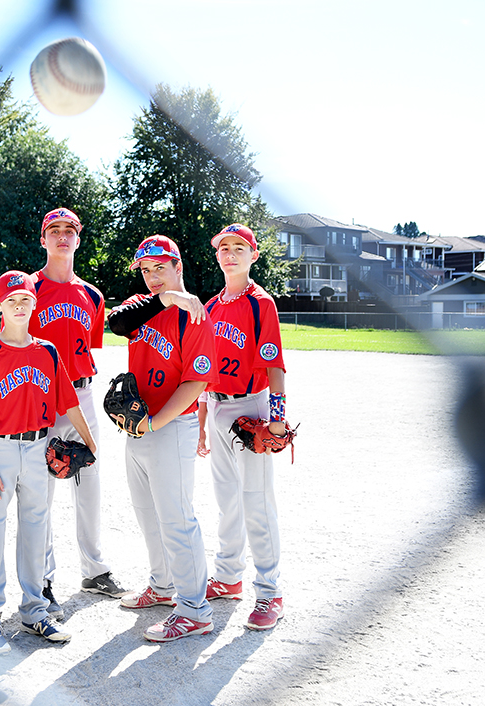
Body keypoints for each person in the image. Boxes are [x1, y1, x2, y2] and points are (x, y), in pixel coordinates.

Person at [0, 271, 97, 654]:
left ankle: (34, 610)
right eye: (11, 300)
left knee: (36, 530)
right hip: (0, 448)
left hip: (39, 448)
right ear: (0, 305)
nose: (19, 306)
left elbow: (69, 402)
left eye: (25, 299)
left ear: (33, 305)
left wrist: (89, 444)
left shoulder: (48, 351)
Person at [106, 235, 217, 642]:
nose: (153, 277)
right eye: (147, 270)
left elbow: (196, 381)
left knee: (176, 518)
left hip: (170, 427)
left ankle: (195, 610)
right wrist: (162, 300)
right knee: (146, 512)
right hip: (138, 426)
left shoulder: (195, 315)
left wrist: (153, 423)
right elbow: (116, 323)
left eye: (160, 268)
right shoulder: (145, 308)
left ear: (178, 267)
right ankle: (163, 586)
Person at [29, 207, 126, 614]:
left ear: (78, 238)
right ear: (43, 239)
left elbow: (88, 353)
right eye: (55, 230)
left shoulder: (92, 295)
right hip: (40, 398)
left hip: (82, 395)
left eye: (70, 230)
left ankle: (94, 569)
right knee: (41, 491)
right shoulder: (28, 289)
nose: (63, 236)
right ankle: (43, 577)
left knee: (89, 483)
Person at [196, 223, 288, 631]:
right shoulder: (212, 307)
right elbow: (204, 370)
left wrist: (279, 417)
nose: (230, 253)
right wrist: (201, 422)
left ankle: (270, 592)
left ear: (253, 254)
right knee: (227, 501)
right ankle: (229, 577)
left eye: (239, 247)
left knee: (256, 501)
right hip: (216, 407)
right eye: (224, 248)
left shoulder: (260, 303)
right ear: (217, 256)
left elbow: (274, 366)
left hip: (250, 408)